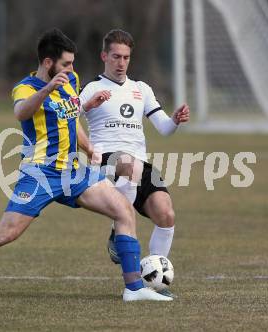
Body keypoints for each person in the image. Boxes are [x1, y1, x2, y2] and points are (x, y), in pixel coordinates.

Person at [0, 28, 172, 303]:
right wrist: (49, 89)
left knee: (123, 210)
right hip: (40, 174)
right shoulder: (25, 88)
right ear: (48, 63)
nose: (71, 69)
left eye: (72, 63)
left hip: (72, 172)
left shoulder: (70, 80)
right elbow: (20, 112)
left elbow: (70, 119)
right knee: (5, 233)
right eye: (66, 63)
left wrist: (89, 147)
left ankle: (133, 289)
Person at [79, 29, 190, 298]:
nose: (121, 63)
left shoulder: (141, 89)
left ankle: (152, 282)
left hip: (139, 164)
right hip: (105, 160)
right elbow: (69, 118)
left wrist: (174, 120)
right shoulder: (91, 88)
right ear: (104, 55)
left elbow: (163, 128)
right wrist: (87, 107)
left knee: (166, 214)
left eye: (126, 57)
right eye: (116, 56)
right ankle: (119, 229)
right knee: (129, 164)